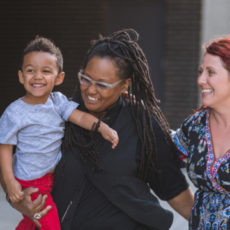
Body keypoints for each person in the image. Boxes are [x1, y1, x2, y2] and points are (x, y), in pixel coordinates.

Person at [7, 28, 194, 230]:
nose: (91, 90)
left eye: (102, 85)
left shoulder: (143, 125)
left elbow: (174, 190)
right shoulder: (58, 116)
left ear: (124, 85)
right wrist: (22, 204)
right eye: (86, 79)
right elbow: (17, 172)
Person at [0, 36, 119, 230]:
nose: (38, 76)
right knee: (50, 224)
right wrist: (10, 181)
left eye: (46, 71)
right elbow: (4, 147)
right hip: (31, 181)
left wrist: (102, 127)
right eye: (31, 71)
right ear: (21, 76)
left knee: (32, 221)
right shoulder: (14, 112)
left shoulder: (58, 102)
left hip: (49, 180)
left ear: (59, 77)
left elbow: (80, 117)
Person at [172, 36, 230, 229]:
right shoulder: (195, 126)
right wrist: (138, 114)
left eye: (210, 72)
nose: (200, 80)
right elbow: (163, 151)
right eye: (200, 72)